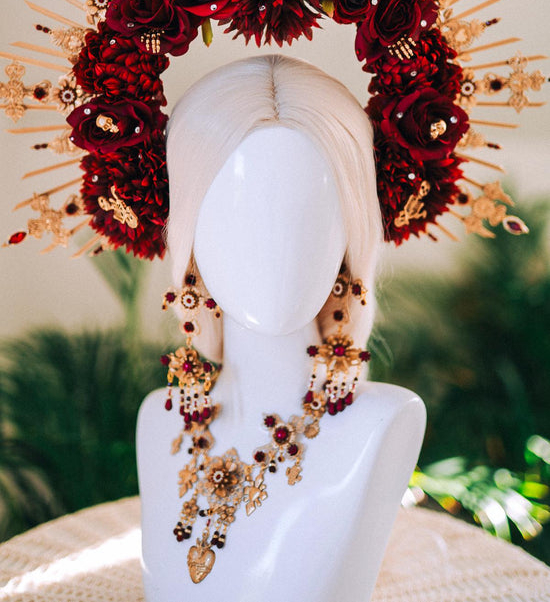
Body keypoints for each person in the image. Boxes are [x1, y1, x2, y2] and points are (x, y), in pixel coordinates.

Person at [137, 54, 426, 601]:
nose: (275, 250)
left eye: (308, 213)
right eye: (236, 212)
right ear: (190, 237)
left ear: (350, 232)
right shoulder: (159, 421)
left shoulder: (382, 424)